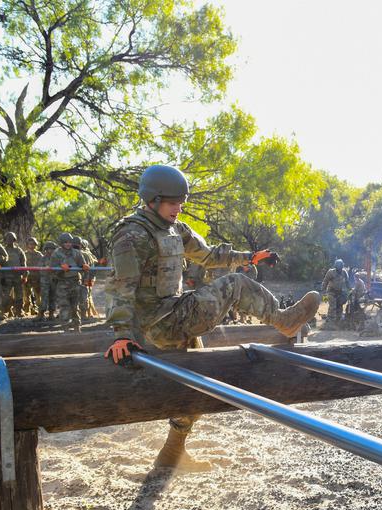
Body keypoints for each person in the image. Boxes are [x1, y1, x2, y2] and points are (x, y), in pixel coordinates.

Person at [103, 164, 320, 470]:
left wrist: (249, 257)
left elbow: (208, 255)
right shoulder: (132, 234)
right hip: (156, 324)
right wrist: (120, 334)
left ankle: (172, 453)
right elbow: (120, 286)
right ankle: (282, 319)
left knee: (197, 386)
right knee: (233, 285)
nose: (178, 208)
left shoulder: (174, 228)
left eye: (181, 202)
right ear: (152, 200)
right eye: (172, 202)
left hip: (174, 313)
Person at [1, 232, 26, 317]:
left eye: (11, 239)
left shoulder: (18, 251)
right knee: (6, 296)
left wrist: (25, 275)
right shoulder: (3, 250)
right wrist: (1, 277)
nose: (9, 241)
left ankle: (19, 311)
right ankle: (5, 311)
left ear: (14, 240)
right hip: (6, 277)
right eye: (7, 239)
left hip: (17, 277)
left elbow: (23, 263)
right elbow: (0, 264)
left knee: (19, 295)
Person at [321, 259, 350, 328]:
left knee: (340, 306)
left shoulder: (344, 272)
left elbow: (347, 282)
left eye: (341, 267)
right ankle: (330, 322)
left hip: (340, 293)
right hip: (331, 292)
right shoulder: (330, 272)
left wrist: (349, 291)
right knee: (333, 306)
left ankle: (338, 321)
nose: (340, 269)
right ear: (336, 266)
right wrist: (323, 293)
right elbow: (325, 282)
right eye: (338, 267)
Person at [36, 241, 58, 320]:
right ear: (46, 249)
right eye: (48, 249)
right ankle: (41, 313)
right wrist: (47, 269)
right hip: (45, 280)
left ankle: (51, 314)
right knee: (44, 297)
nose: (50, 251)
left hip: (54, 280)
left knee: (53, 297)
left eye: (52, 249)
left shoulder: (57, 258)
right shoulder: (43, 258)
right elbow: (40, 269)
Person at [24, 237, 44, 315]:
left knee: (38, 296)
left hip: (37, 277)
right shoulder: (24, 254)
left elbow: (43, 263)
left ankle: (40, 311)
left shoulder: (39, 254)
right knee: (26, 296)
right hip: (27, 278)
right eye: (30, 244)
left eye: (33, 244)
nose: (32, 246)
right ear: (27, 245)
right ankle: (27, 311)